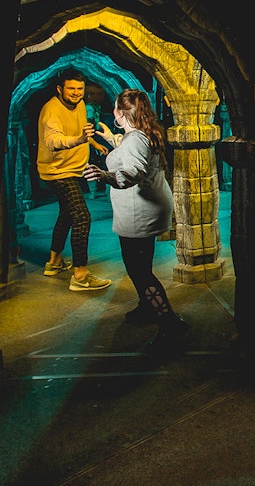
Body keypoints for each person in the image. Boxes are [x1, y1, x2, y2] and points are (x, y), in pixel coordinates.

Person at [84, 89, 188, 354]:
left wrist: (104, 175)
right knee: (143, 264)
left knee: (140, 272)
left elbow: (133, 171)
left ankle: (169, 323)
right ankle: (147, 307)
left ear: (120, 113)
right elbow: (131, 150)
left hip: (139, 212)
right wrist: (111, 138)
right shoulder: (142, 133)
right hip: (147, 208)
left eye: (115, 107)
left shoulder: (135, 140)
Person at [36, 69, 111, 291]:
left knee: (67, 214)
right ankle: (80, 276)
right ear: (60, 89)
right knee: (82, 216)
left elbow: (81, 131)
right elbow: (53, 141)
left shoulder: (78, 104)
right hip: (58, 172)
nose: (76, 93)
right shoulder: (52, 110)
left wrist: (93, 143)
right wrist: (78, 140)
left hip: (71, 170)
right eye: (71, 89)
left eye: (80, 89)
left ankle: (54, 262)